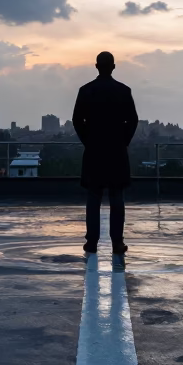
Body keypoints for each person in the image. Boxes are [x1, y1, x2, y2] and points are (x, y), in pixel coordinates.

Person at [72, 51, 138, 254]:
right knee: (117, 198)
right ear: (113, 67)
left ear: (96, 66)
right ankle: (117, 242)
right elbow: (132, 120)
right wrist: (123, 141)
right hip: (116, 152)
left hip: (94, 152)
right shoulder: (123, 91)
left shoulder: (86, 91)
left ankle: (92, 242)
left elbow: (77, 120)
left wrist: (88, 141)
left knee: (93, 198)